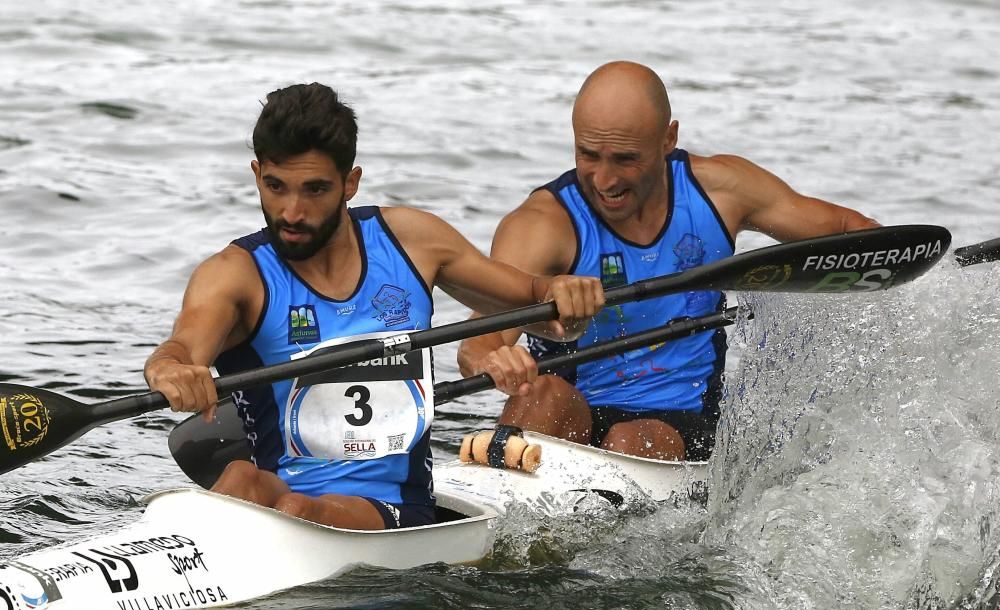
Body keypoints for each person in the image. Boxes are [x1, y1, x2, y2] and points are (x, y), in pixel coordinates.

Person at [143, 83, 604, 531]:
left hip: (392, 509)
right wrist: (172, 371)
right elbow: (181, 349)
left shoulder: (412, 243)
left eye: (315, 190)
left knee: (298, 511)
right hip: (277, 495)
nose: (291, 212)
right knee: (242, 478)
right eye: (276, 186)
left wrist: (567, 294)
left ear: (350, 183)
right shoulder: (235, 274)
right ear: (256, 174)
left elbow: (537, 300)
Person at [457, 61, 880, 463]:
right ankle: (501, 494)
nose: (605, 181)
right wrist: (495, 361)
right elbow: (481, 340)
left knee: (631, 439)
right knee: (540, 392)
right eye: (588, 155)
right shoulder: (543, 224)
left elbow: (847, 228)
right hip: (573, 408)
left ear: (668, 139)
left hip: (682, 420)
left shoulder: (721, 191)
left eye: (625, 159)